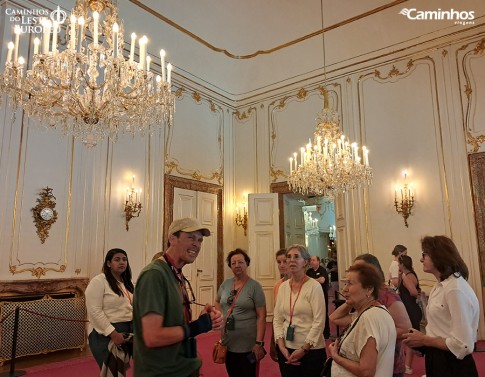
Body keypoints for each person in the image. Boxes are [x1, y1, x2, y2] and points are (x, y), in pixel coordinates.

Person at [133, 218, 223, 377]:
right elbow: (152, 337)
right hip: (162, 372)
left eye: (200, 240)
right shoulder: (154, 275)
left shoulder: (176, 274)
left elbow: (176, 327)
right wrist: (197, 327)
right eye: (191, 237)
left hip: (183, 367)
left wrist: (202, 321)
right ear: (172, 239)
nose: (197, 244)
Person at [403, 235, 479, 377]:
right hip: (439, 359)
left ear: (439, 256)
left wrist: (423, 339)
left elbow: (462, 345)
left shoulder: (454, 289)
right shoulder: (440, 286)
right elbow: (442, 329)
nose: (421, 259)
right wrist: (423, 344)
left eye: (424, 254)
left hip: (453, 366)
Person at [331, 253, 411, 377]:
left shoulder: (373, 313)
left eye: (350, 283)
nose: (344, 289)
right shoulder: (367, 309)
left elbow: (366, 371)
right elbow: (335, 318)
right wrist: (351, 300)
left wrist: (336, 357)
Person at [273, 244, 327, 377]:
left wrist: (303, 349)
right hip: (286, 349)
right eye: (288, 257)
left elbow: (319, 321)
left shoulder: (314, 287)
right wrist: (281, 346)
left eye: (296, 257)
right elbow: (278, 319)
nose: (291, 260)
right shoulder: (283, 287)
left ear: (306, 262)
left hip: (311, 350)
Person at [214, 249, 267, 377]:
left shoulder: (255, 286)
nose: (237, 265)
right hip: (228, 342)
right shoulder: (226, 284)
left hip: (248, 344)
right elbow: (217, 302)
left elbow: (261, 316)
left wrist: (259, 343)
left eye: (240, 262)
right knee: (233, 373)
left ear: (247, 263)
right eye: (233, 263)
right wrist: (221, 317)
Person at [85, 248, 134, 369]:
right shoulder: (99, 281)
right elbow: (95, 311)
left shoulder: (127, 283)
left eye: (124, 259)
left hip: (128, 332)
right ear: (108, 263)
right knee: (112, 371)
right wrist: (113, 333)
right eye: (117, 260)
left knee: (122, 369)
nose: (122, 262)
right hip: (105, 334)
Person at [398, 254, 422, 374]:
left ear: (402, 264)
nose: (398, 266)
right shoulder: (410, 274)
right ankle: (407, 364)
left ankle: (408, 365)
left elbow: (413, 292)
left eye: (399, 264)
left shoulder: (407, 277)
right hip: (410, 308)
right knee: (409, 336)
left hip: (410, 308)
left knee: (410, 337)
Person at [270, 248, 290, 362]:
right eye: (279, 262)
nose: (281, 265)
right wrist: (274, 338)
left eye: (285, 261)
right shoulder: (277, 285)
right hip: (281, 332)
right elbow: (276, 314)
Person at [306, 255, 330, 338]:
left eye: (313, 260)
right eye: (311, 260)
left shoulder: (322, 270)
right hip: (311, 296)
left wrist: (311, 280)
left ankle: (326, 334)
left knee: (323, 313)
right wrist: (316, 280)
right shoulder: (309, 271)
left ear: (318, 261)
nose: (311, 262)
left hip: (322, 295)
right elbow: (305, 281)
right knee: (313, 314)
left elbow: (322, 280)